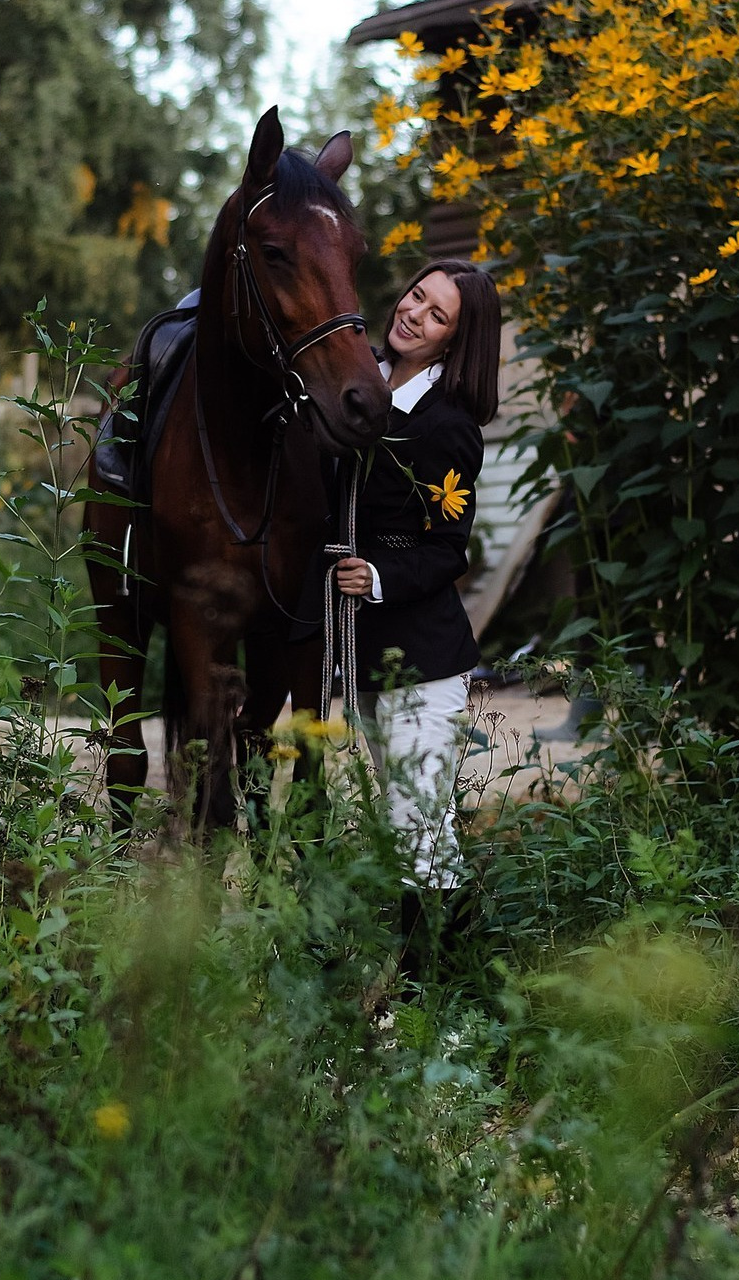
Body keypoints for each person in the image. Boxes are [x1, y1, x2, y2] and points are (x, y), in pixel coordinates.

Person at [333, 258, 502, 984]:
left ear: (453, 343)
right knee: (411, 833)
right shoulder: (357, 377)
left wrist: (373, 576)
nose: (414, 315)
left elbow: (446, 552)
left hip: (425, 665)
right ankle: (452, 1002)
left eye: (437, 317)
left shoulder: (449, 428)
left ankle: (443, 1009)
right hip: (370, 659)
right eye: (415, 297)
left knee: (419, 837)